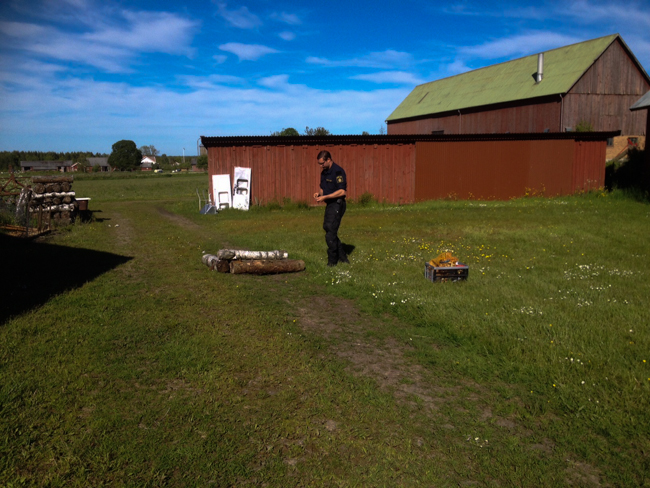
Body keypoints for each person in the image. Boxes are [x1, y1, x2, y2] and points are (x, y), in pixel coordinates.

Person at [313, 150, 349, 266]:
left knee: (330, 231)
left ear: (328, 160)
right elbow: (322, 188)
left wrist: (325, 197)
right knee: (328, 228)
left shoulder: (338, 171)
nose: (321, 166)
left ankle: (332, 262)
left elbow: (342, 191)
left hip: (338, 203)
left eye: (322, 163)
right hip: (330, 204)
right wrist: (318, 194)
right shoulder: (324, 173)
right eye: (319, 164)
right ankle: (343, 257)